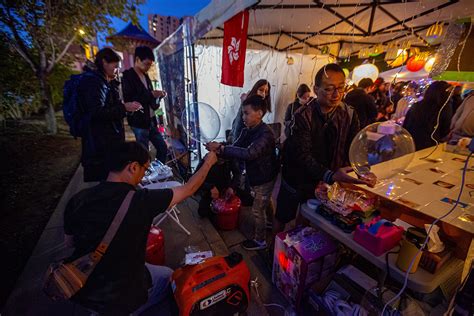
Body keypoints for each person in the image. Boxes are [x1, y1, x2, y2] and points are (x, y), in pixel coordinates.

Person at [63, 141, 217, 315]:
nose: (143, 176)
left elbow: (69, 243)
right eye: (145, 169)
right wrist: (209, 162)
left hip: (83, 286)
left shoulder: (77, 199)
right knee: (169, 278)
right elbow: (189, 188)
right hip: (122, 294)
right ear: (133, 167)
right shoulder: (140, 201)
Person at [273, 63, 376, 236]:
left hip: (324, 180)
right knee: (283, 215)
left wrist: (361, 170)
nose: (336, 94)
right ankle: (273, 248)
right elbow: (302, 155)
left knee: (308, 214)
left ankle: (296, 246)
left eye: (341, 88)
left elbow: (354, 148)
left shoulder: (349, 114)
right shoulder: (302, 115)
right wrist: (331, 175)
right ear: (316, 89)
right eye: (329, 89)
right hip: (296, 175)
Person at [207, 95, 279, 251]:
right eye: (243, 113)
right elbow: (236, 146)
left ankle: (260, 241)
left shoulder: (266, 134)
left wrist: (221, 149)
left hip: (265, 176)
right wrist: (221, 147)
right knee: (264, 201)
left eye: (246, 113)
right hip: (259, 175)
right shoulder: (249, 130)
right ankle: (269, 223)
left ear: (259, 113)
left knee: (257, 209)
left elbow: (249, 153)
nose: (243, 116)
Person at [77, 48, 143, 182]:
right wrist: (124, 107)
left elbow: (112, 106)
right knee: (105, 183)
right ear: (104, 62)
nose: (117, 70)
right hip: (100, 146)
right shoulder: (95, 82)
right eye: (115, 66)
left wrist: (125, 105)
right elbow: (96, 112)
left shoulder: (107, 81)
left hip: (109, 142)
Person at [122, 46, 168, 163]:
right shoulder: (127, 76)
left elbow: (150, 100)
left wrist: (158, 96)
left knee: (162, 147)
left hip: (151, 120)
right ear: (137, 59)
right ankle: (144, 177)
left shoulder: (146, 76)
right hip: (139, 121)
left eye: (150, 65)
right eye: (146, 64)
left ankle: (158, 172)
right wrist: (151, 94)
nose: (148, 67)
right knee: (143, 154)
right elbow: (130, 100)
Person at [403, 81, 453, 150]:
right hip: (430, 146)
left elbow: (405, 125)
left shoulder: (416, 106)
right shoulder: (444, 108)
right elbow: (445, 130)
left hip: (411, 143)